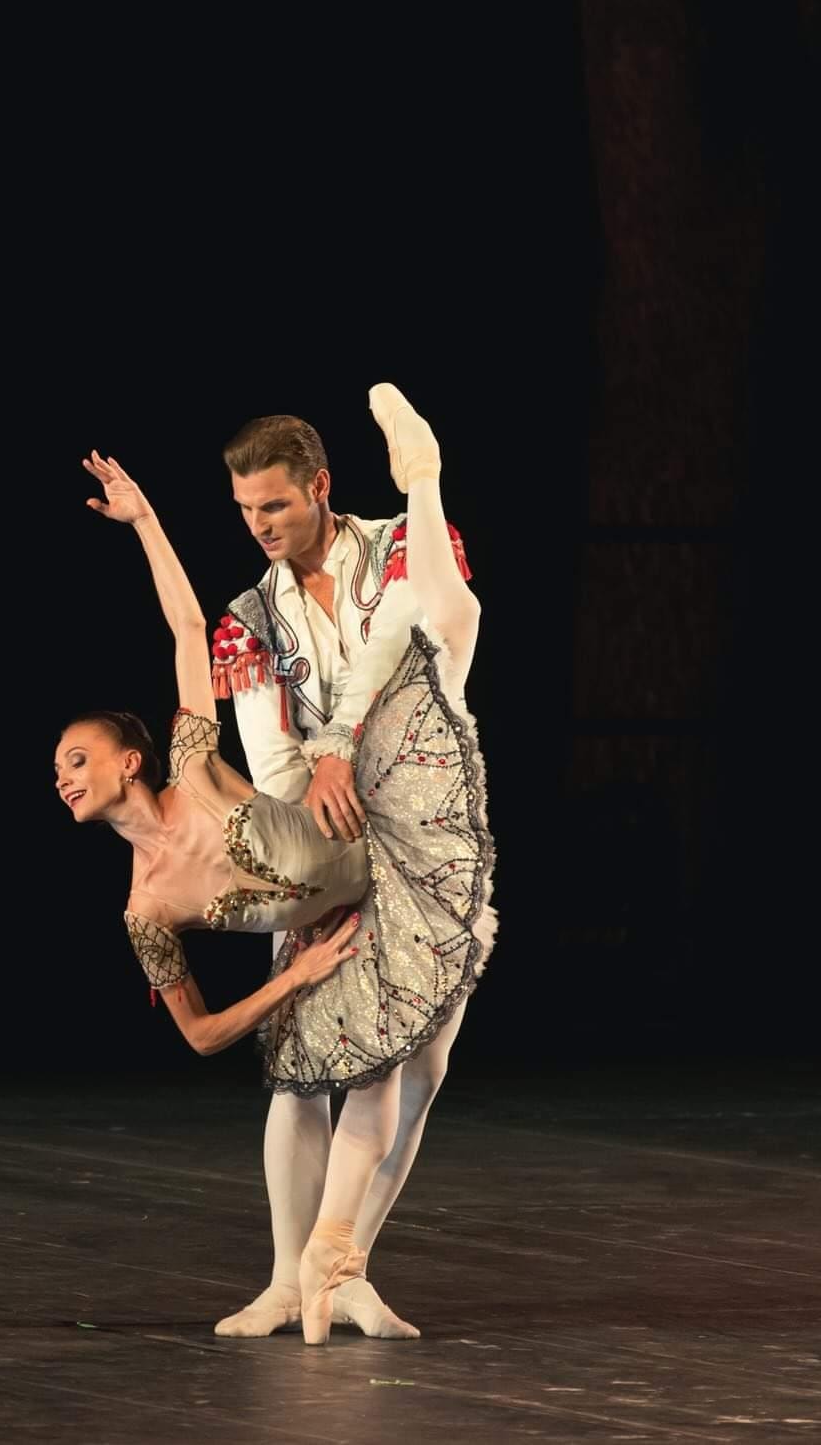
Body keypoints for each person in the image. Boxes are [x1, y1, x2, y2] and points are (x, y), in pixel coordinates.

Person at [57, 385, 496, 1344]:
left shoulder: (398, 551)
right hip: (315, 834)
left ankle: (348, 1272)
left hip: (423, 793)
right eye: (245, 512)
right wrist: (306, 872)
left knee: (417, 1065)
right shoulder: (247, 620)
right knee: (304, 1070)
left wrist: (145, 523)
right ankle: (289, 1280)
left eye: (275, 506)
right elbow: (272, 759)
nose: (259, 526)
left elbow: (439, 657)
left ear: (320, 489)